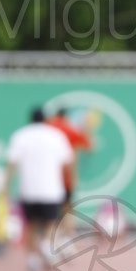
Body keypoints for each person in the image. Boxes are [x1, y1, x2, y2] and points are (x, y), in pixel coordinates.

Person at [5, 108, 74, 271]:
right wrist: (68, 184)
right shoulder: (56, 136)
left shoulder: (20, 136)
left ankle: (32, 259)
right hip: (51, 190)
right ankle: (46, 245)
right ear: (45, 119)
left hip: (28, 190)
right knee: (51, 223)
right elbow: (68, 163)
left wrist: (5, 187)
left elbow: (11, 164)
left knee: (31, 225)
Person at [47, 108, 93, 253]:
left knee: (50, 211)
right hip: (66, 178)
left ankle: (50, 242)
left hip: (48, 178)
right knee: (68, 209)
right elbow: (88, 146)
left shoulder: (48, 128)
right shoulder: (70, 129)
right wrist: (87, 128)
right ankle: (67, 240)